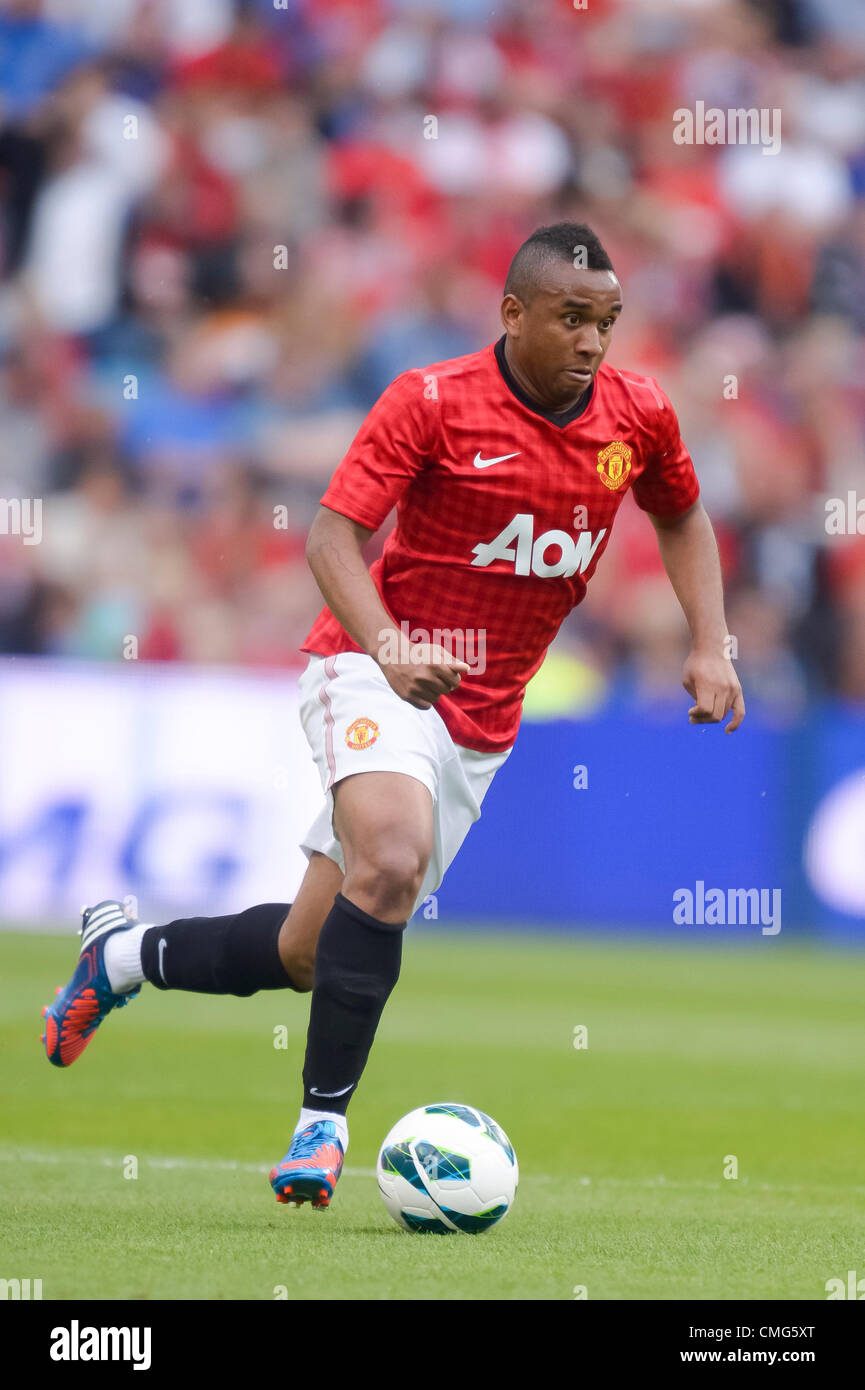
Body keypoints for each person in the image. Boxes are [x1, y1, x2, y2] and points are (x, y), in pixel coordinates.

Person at [41, 223, 745, 1210]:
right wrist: (388, 645)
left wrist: (710, 639)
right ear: (513, 313)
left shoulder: (638, 415)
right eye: (572, 318)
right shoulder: (431, 400)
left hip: (477, 722)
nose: (592, 342)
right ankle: (322, 1127)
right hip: (372, 665)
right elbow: (333, 536)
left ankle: (117, 957)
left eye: (607, 322)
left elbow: (679, 512)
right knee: (391, 856)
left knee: (302, 950)